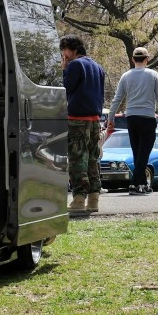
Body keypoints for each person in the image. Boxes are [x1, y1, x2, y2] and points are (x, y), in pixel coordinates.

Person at [108, 46, 158, 195]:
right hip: (148, 117)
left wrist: (110, 118)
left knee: (137, 152)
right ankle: (135, 184)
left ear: (132, 59)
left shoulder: (126, 76)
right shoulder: (153, 74)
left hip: (131, 117)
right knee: (144, 152)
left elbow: (117, 99)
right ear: (147, 59)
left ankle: (143, 184)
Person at [61, 35, 107, 214]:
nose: (63, 56)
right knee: (92, 159)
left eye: (64, 52)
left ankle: (79, 199)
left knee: (77, 159)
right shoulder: (97, 67)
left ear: (70, 49)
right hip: (95, 119)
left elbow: (67, 88)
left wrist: (65, 69)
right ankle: (93, 199)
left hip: (77, 119)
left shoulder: (74, 65)